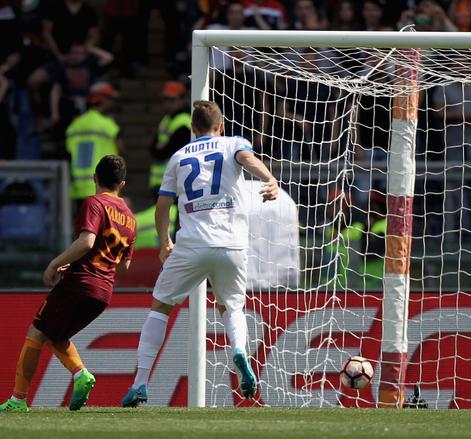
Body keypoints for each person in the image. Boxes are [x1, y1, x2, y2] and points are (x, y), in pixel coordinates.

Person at [121, 100, 279, 407]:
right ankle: (238, 352)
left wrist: (165, 240)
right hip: (232, 244)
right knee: (231, 307)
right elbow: (247, 158)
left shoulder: (179, 157)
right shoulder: (233, 142)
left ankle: (140, 383)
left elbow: (163, 205)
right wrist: (269, 180)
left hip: (191, 244)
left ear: (193, 129)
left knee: (160, 307)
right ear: (221, 126)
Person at [0, 155, 136, 413]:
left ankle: (18, 400)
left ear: (94, 178)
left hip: (81, 283)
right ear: (123, 184)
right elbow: (124, 264)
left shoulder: (94, 203)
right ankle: (80, 374)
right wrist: (80, 263)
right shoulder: (130, 217)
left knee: (36, 332)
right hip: (103, 291)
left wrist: (54, 263)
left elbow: (86, 241)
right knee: (56, 334)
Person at [66, 82, 124, 212]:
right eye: (111, 99)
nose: (113, 103)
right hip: (104, 186)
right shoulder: (108, 125)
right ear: (102, 99)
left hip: (78, 188)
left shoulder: (74, 126)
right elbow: (121, 148)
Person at [148, 81, 191, 196]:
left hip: (174, 182)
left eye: (171, 99)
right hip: (161, 181)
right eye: (165, 99)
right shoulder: (166, 120)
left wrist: (161, 147)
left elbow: (167, 152)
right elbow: (154, 150)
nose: (167, 103)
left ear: (182, 100)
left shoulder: (184, 121)